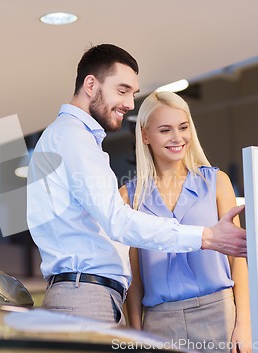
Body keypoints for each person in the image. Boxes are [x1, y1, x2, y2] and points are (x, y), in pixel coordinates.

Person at [26, 43, 246, 325]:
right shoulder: (72, 138)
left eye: (132, 94)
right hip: (85, 298)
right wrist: (205, 236)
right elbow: (118, 222)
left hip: (88, 295)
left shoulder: (70, 138)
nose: (130, 104)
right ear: (91, 84)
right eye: (122, 90)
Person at [121, 91, 251, 352]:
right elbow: (133, 278)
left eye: (183, 127)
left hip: (219, 314)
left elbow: (238, 259)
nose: (177, 138)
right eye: (165, 130)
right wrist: (135, 335)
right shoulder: (128, 197)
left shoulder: (216, 182)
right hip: (159, 323)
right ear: (145, 135)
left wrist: (244, 324)